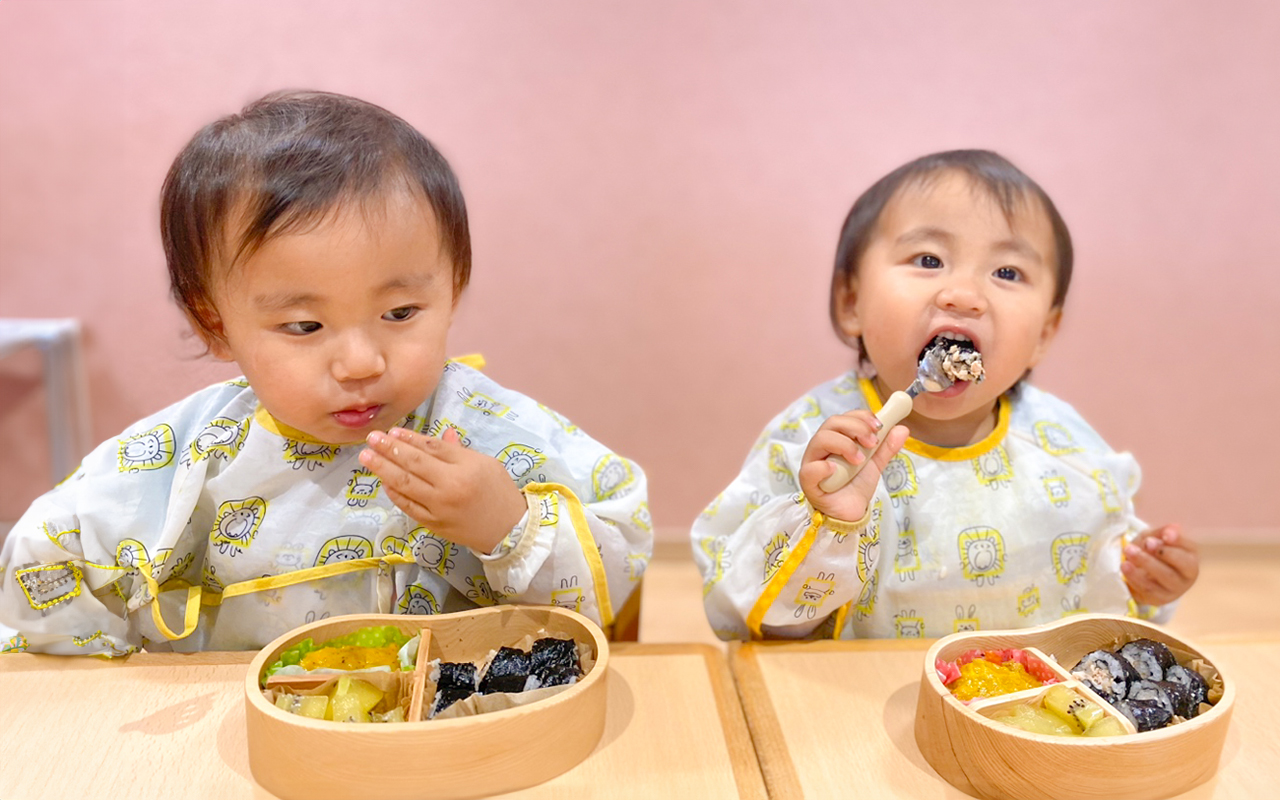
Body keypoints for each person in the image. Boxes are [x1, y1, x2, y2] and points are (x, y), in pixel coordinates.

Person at [0, 90, 651, 656]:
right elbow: (44, 560)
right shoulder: (194, 455)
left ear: (454, 287)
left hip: (460, 731)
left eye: (400, 312)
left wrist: (507, 524)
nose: (362, 362)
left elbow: (618, 571)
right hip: (244, 739)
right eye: (305, 327)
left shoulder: (487, 429)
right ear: (215, 324)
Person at [692, 150, 1197, 640]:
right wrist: (826, 524)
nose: (964, 294)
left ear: (1044, 334)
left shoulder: (1064, 445)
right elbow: (746, 614)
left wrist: (1145, 578)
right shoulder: (814, 441)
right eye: (928, 259)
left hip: (1022, 703)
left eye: (1007, 273)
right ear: (851, 302)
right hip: (854, 697)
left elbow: (1101, 577)